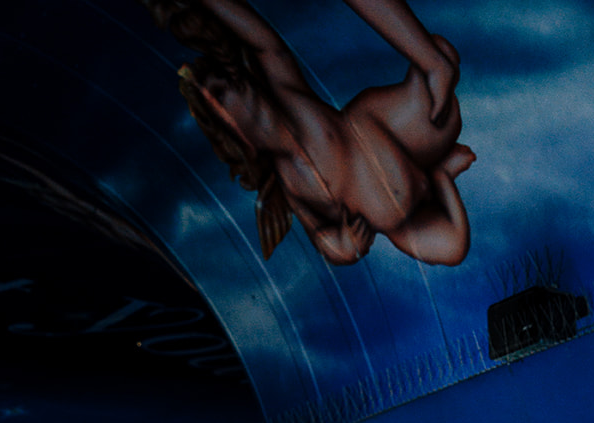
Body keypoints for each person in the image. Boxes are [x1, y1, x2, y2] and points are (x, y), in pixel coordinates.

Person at [149, 0, 475, 265]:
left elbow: (263, 42)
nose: (230, 79)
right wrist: (343, 245)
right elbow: (321, 236)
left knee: (440, 52)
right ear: (226, 131)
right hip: (399, 213)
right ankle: (440, 176)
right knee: (451, 246)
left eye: (221, 76)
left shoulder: (286, 93)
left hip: (391, 132)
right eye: (219, 94)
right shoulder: (288, 181)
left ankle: (433, 76)